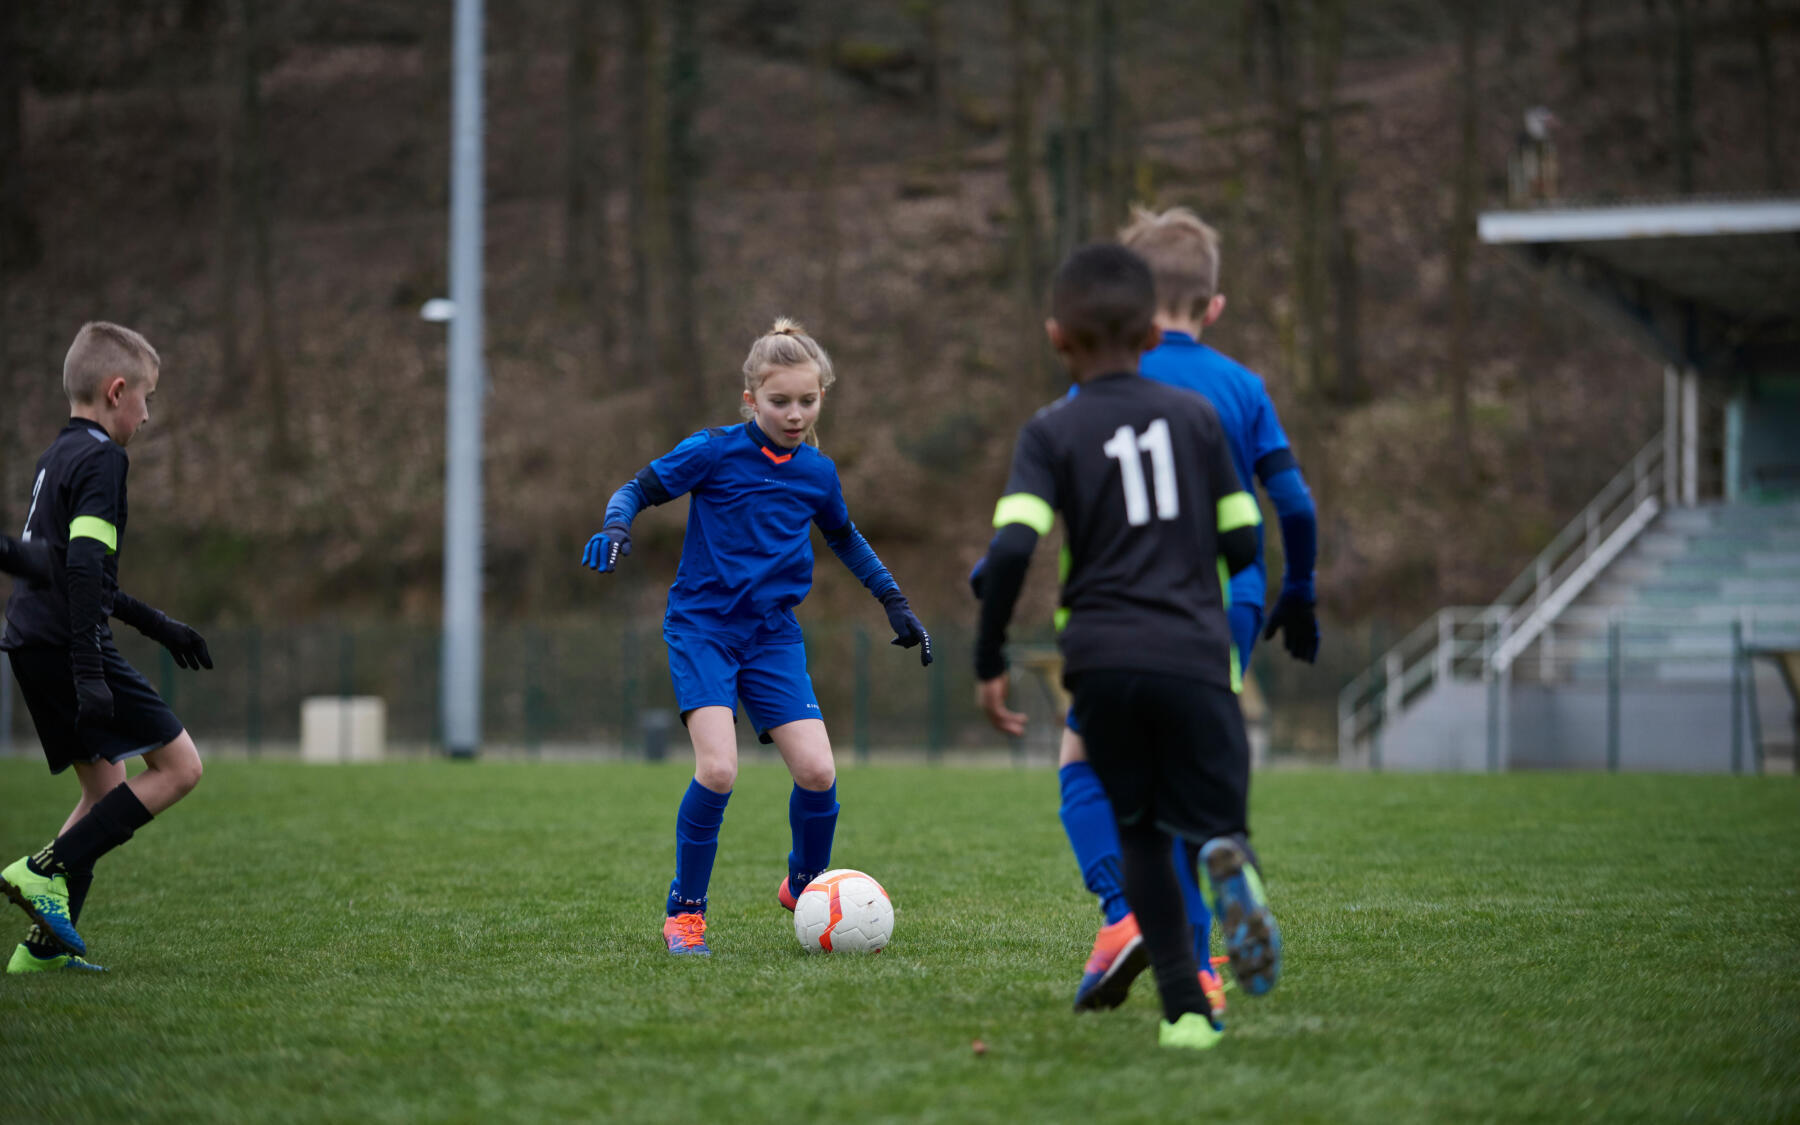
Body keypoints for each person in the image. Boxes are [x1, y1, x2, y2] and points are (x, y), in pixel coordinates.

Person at [991, 207, 1317, 1014]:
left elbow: (1047, 503)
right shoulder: (1238, 388)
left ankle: (1137, 927)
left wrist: (988, 577)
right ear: (1212, 306)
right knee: (1193, 786)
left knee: (1088, 763)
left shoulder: (1093, 392)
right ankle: (1204, 918)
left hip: (1119, 614)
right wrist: (1297, 588)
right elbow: (1292, 505)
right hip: (1222, 609)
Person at [583, 318, 931, 956]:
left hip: (772, 636)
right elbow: (638, 487)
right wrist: (615, 525)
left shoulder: (817, 473)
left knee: (819, 772)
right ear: (751, 400)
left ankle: (805, 887)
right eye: (779, 402)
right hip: (703, 628)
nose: (794, 414)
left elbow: (845, 537)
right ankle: (685, 914)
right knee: (717, 770)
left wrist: (893, 600)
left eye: (807, 400)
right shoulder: (712, 451)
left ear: (821, 395)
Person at [1, 322, 213, 975]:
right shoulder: (103, 460)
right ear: (116, 390)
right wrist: (92, 670)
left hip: (31, 638)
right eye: (146, 396)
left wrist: (161, 626)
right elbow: (88, 576)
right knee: (180, 767)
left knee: (105, 788)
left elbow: (69, 566)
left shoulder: (56, 456)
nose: (147, 414)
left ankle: (40, 950)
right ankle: (43, 869)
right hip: (66, 642)